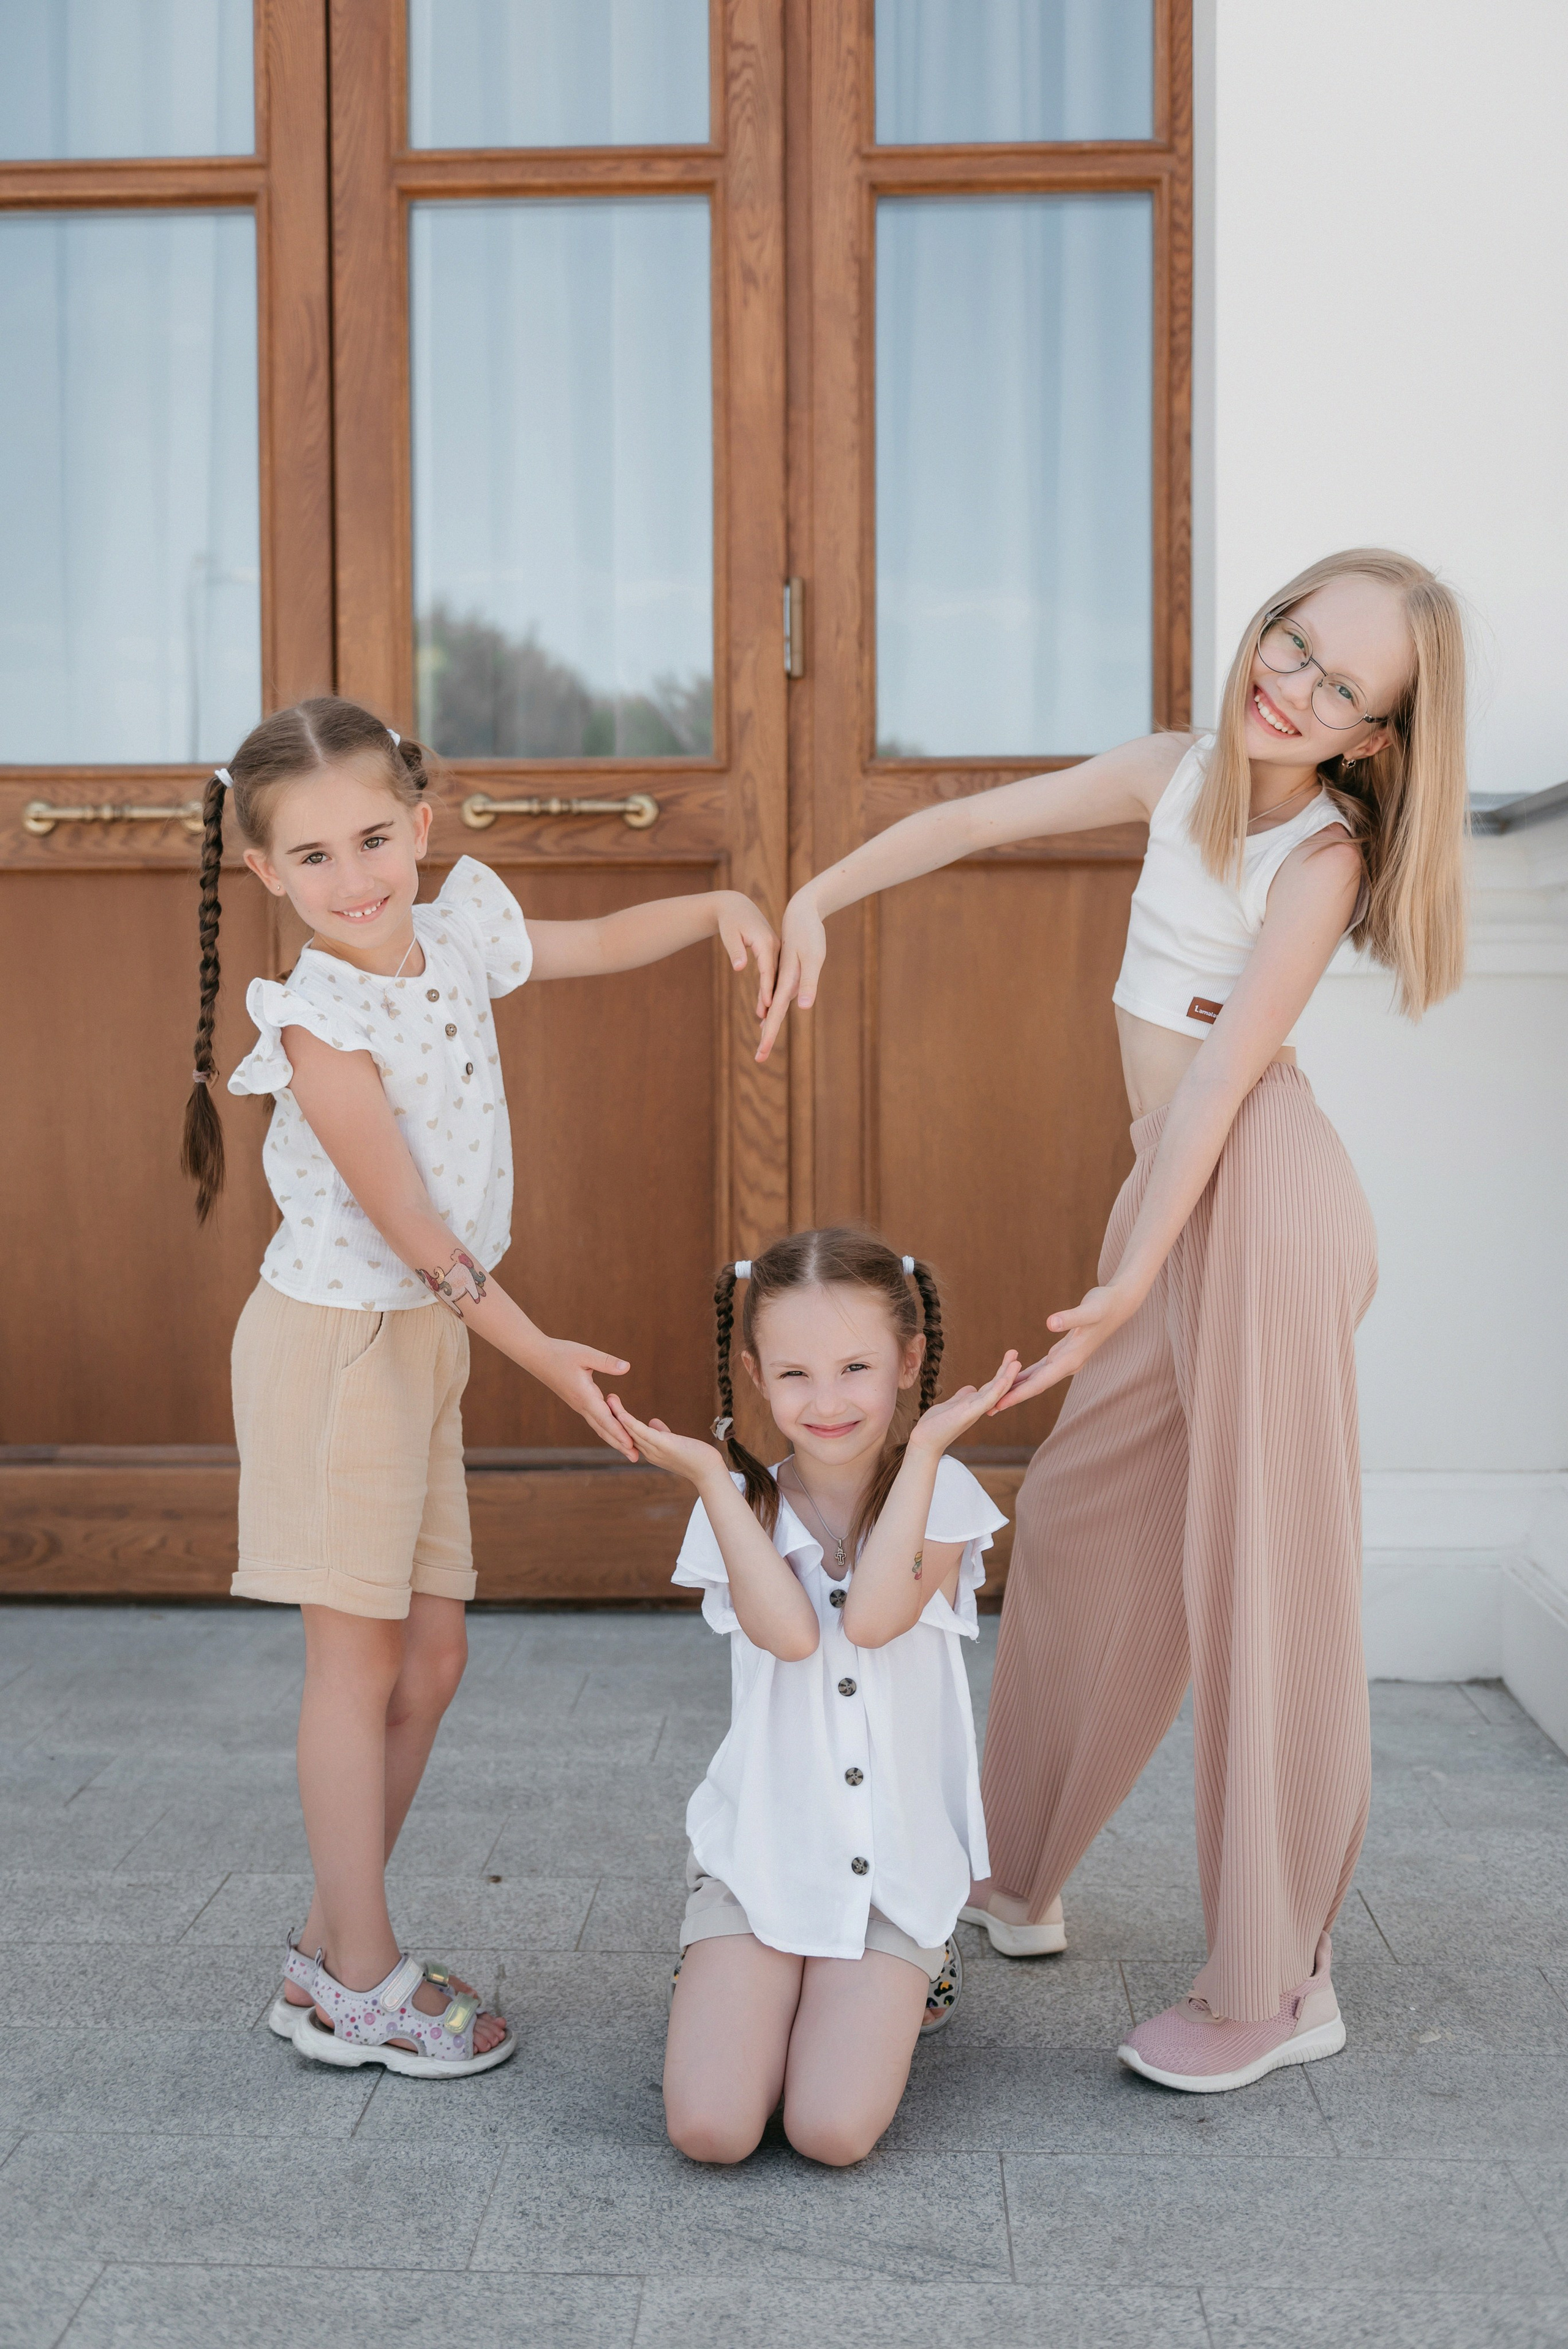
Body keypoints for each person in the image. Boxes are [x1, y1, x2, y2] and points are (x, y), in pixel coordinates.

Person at [755, 549, 1467, 2092]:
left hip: (1253, 1196)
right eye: (1293, 638)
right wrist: (818, 890)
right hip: (1175, 1194)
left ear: (1371, 739)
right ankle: (1011, 1874)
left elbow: (1219, 1079)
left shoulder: (1326, 853)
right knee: (1081, 1515)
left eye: (1341, 685)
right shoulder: (1178, 770)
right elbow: (964, 821)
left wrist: (1132, 1276)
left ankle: (1279, 1979)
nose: (1292, 681)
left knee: (1256, 1569)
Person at [179, 693, 778, 2078]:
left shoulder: (452, 932)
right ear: (265, 873)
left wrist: (714, 908)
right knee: (357, 1665)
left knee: (433, 1657)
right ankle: (360, 1975)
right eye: (314, 857)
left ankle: (334, 1955)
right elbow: (423, 1240)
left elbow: (586, 940)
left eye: (376, 836)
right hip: (342, 1352)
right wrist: (555, 1367)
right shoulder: (318, 1022)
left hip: (425, 1341)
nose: (357, 877)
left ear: (423, 825)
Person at [604, 1229, 1017, 2163]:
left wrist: (931, 1445)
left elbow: (871, 1620)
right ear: (753, 1374)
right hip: (761, 1855)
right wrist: (711, 1475)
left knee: (830, 2131)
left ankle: (923, 1965)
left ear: (910, 1362)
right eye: (794, 1375)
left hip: (892, 1871)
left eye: (856, 1368)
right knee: (711, 2131)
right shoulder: (742, 1503)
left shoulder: (941, 1490)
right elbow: (792, 1636)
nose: (825, 1402)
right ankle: (740, 1970)